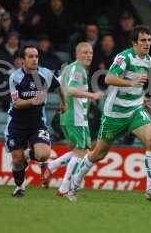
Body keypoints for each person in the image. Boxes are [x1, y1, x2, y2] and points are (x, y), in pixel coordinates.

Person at [71, 25, 151, 201]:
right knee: (98, 154)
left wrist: (143, 99)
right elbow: (108, 78)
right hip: (114, 113)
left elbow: (138, 85)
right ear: (134, 43)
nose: (147, 44)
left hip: (135, 110)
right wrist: (131, 82)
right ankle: (74, 182)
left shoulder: (149, 61)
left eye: (149, 40)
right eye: (143, 41)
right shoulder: (124, 57)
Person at [41, 42, 102, 200]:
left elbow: (58, 85)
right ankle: (64, 189)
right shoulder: (78, 70)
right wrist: (92, 96)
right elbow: (71, 90)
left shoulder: (69, 68)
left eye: (90, 52)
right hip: (75, 117)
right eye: (85, 52)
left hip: (71, 116)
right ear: (77, 54)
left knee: (81, 151)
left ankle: (52, 166)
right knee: (81, 153)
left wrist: (63, 102)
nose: (88, 55)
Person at [5, 45, 66, 197]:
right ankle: (20, 187)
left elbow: (59, 87)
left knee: (44, 155)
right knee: (17, 160)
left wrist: (63, 103)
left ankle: (29, 156)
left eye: (36, 56)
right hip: (17, 123)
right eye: (30, 56)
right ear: (22, 60)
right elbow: (17, 103)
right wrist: (33, 100)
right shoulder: (15, 77)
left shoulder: (45, 74)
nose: (34, 59)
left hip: (37, 122)